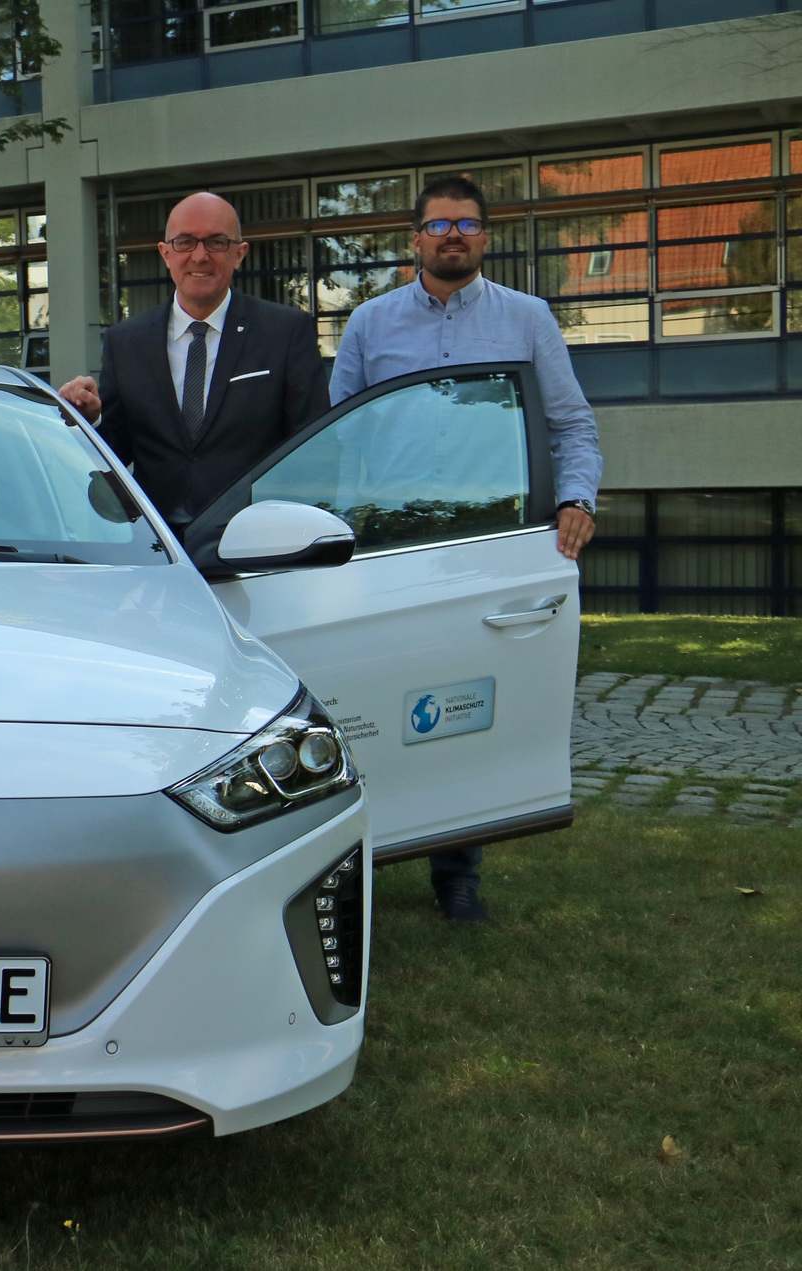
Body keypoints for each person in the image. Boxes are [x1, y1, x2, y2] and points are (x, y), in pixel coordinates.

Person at [330, 172, 602, 925]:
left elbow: (573, 425)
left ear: (486, 238)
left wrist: (577, 499)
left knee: (468, 698)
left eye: (468, 225)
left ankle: (459, 870)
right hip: (387, 541)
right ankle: (365, 852)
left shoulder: (527, 318)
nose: (454, 235)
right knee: (374, 696)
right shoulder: (369, 325)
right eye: (440, 224)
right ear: (415, 239)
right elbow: (337, 436)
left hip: (489, 537)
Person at [59, 192, 329, 538]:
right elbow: (115, 450)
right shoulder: (125, 342)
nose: (200, 256)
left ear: (239, 253)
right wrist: (90, 417)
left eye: (216, 242)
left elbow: (315, 447)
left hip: (258, 545)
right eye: (185, 242)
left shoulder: (285, 332)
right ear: (165, 253)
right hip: (157, 547)